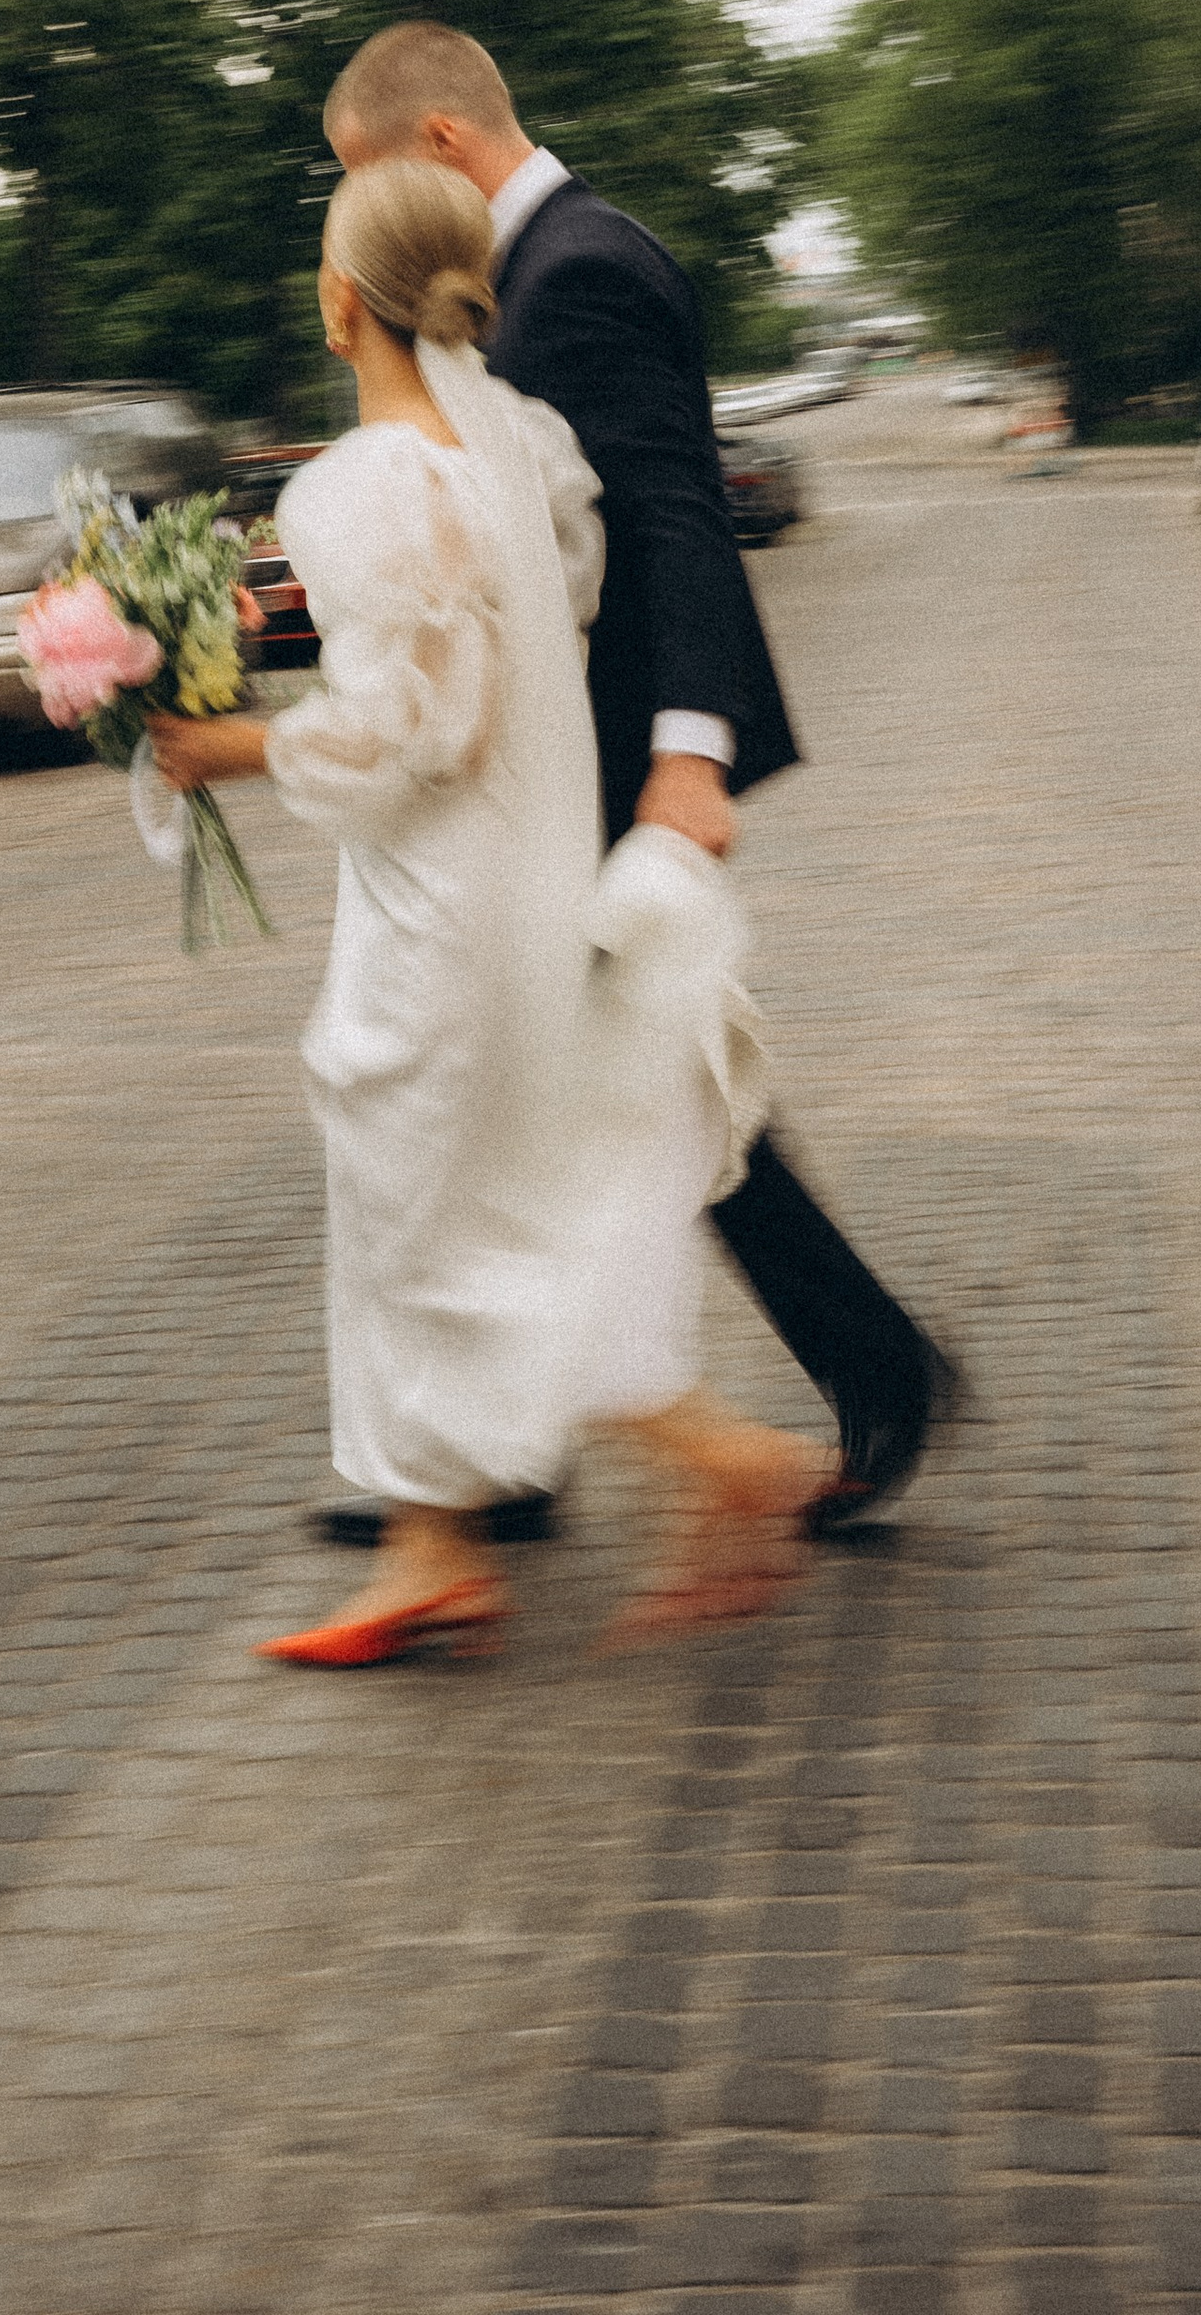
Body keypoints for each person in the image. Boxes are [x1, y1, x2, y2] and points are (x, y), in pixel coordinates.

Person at [147, 156, 825, 1664]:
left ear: (341, 300)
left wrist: (224, 743)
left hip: (439, 906)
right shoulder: (520, 445)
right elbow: (527, 616)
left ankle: (732, 1463)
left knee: (445, 1224)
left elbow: (405, 731)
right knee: (456, 1207)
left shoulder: (358, 484)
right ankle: (428, 1547)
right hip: (535, 866)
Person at [313, 23, 958, 1544]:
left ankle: (495, 1473)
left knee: (580, 1082)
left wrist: (689, 752)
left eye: (366, 183)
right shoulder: (536, 267)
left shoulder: (582, 266)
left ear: (442, 148)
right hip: (529, 750)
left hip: (592, 759)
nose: (362, 227)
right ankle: (494, 1465)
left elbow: (675, 517)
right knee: (584, 1081)